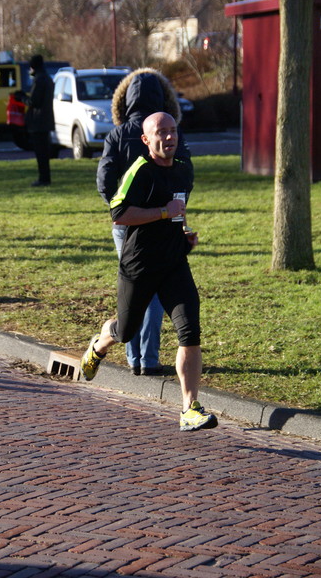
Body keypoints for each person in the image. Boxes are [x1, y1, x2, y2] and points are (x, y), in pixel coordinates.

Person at [82, 111, 218, 432]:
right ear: (146, 139)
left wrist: (183, 233)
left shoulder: (184, 170)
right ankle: (99, 345)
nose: (169, 137)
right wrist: (161, 213)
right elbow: (118, 213)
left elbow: (178, 208)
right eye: (161, 132)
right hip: (139, 266)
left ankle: (189, 408)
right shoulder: (139, 170)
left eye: (173, 131)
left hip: (173, 263)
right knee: (127, 331)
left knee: (190, 331)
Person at [97, 68, 193, 376]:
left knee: (137, 290)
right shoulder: (168, 129)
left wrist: (121, 207)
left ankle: (133, 357)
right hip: (161, 222)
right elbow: (185, 174)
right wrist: (173, 207)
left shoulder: (116, 134)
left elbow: (105, 180)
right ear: (164, 98)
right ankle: (147, 359)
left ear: (125, 99)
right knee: (150, 291)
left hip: (126, 224)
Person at [15, 54, 54, 186]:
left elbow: (34, 102)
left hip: (38, 121)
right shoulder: (48, 78)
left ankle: (43, 179)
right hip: (46, 119)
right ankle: (45, 177)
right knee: (44, 152)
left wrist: (21, 97)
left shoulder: (39, 80)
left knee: (40, 153)